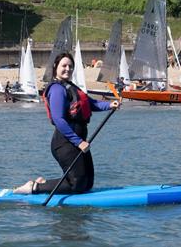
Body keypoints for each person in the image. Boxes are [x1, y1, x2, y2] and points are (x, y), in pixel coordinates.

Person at [14, 52, 119, 195]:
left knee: (87, 183)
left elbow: (90, 103)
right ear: (56, 67)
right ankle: (34, 187)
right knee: (77, 184)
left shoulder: (70, 86)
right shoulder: (57, 89)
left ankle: (44, 183)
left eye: (70, 66)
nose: (67, 69)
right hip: (65, 143)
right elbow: (58, 120)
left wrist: (109, 105)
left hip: (78, 141)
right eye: (64, 65)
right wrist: (78, 142)